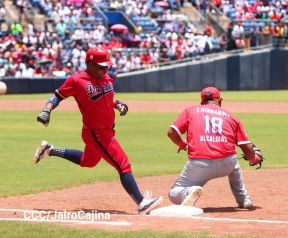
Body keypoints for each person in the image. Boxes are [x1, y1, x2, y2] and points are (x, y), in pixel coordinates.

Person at [34, 47, 163, 215]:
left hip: (108, 131)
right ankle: (142, 203)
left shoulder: (106, 78)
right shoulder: (76, 80)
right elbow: (58, 95)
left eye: (107, 66)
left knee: (88, 162)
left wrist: (118, 105)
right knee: (123, 165)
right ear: (89, 63)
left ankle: (50, 150)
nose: (105, 69)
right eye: (101, 66)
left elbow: (110, 97)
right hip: (96, 133)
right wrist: (47, 110)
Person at [167, 86, 262, 208]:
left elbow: (171, 132)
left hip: (199, 165)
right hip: (227, 164)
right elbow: (247, 148)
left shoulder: (190, 111)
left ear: (202, 101)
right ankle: (244, 199)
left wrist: (182, 144)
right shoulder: (232, 117)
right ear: (220, 100)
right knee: (235, 164)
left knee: (173, 193)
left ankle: (188, 192)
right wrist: (254, 159)